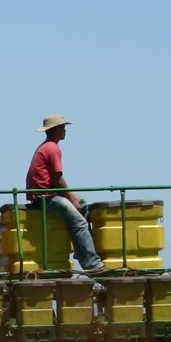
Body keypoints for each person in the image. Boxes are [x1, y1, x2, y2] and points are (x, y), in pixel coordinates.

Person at [26, 115, 105, 273]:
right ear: (55, 130)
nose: (65, 131)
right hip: (45, 197)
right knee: (79, 223)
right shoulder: (52, 148)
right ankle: (92, 265)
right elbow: (57, 178)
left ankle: (81, 249)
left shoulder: (46, 146)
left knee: (83, 204)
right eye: (63, 128)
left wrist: (74, 199)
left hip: (45, 193)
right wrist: (70, 197)